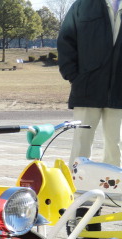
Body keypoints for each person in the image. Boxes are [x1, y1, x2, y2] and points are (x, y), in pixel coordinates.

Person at [57, 0, 122, 167]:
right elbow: (66, 39)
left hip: (119, 92)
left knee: (116, 146)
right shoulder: (83, 5)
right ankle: (77, 190)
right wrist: (73, 75)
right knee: (81, 144)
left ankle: (115, 192)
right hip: (86, 88)